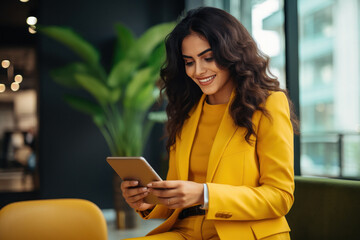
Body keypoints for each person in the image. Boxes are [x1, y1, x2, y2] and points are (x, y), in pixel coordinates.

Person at [121, 6, 298, 240]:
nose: (198, 71)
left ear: (231, 53)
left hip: (244, 232)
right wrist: (145, 201)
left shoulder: (269, 104)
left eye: (208, 57)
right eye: (189, 62)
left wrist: (204, 194)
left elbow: (280, 196)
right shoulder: (187, 112)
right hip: (186, 231)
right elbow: (177, 197)